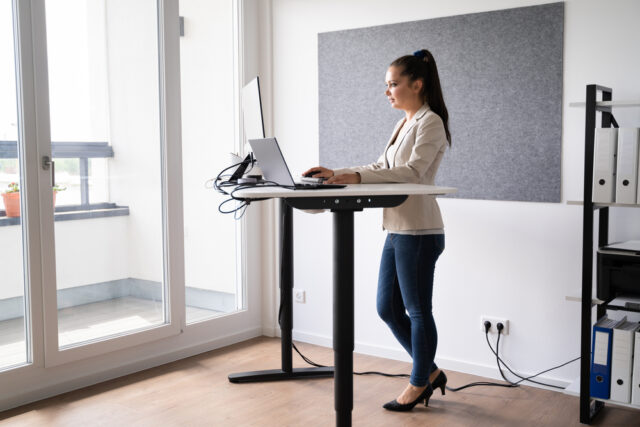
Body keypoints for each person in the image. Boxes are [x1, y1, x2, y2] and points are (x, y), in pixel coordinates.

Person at [303, 49, 451, 412]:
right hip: (398, 228)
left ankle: (419, 382)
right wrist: (338, 172)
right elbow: (381, 166)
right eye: (387, 85)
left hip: (418, 229)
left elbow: (411, 172)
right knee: (387, 308)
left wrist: (355, 177)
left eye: (393, 84)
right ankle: (429, 371)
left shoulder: (429, 122)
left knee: (417, 310)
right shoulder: (404, 122)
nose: (387, 91)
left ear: (417, 84)